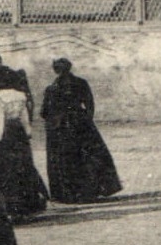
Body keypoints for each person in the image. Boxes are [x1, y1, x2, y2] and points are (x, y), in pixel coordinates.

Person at [39, 58, 122, 204]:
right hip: (81, 123)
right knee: (87, 157)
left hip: (61, 127)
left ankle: (67, 194)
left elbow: (44, 111)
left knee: (64, 160)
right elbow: (89, 104)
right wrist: (86, 120)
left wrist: (55, 120)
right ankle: (90, 191)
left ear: (56, 70)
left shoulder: (51, 88)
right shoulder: (81, 83)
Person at [0, 67, 47, 221]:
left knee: (5, 171)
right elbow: (25, 118)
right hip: (19, 135)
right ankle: (26, 208)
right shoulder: (20, 95)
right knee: (22, 168)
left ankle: (8, 209)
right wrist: (27, 133)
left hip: (6, 137)